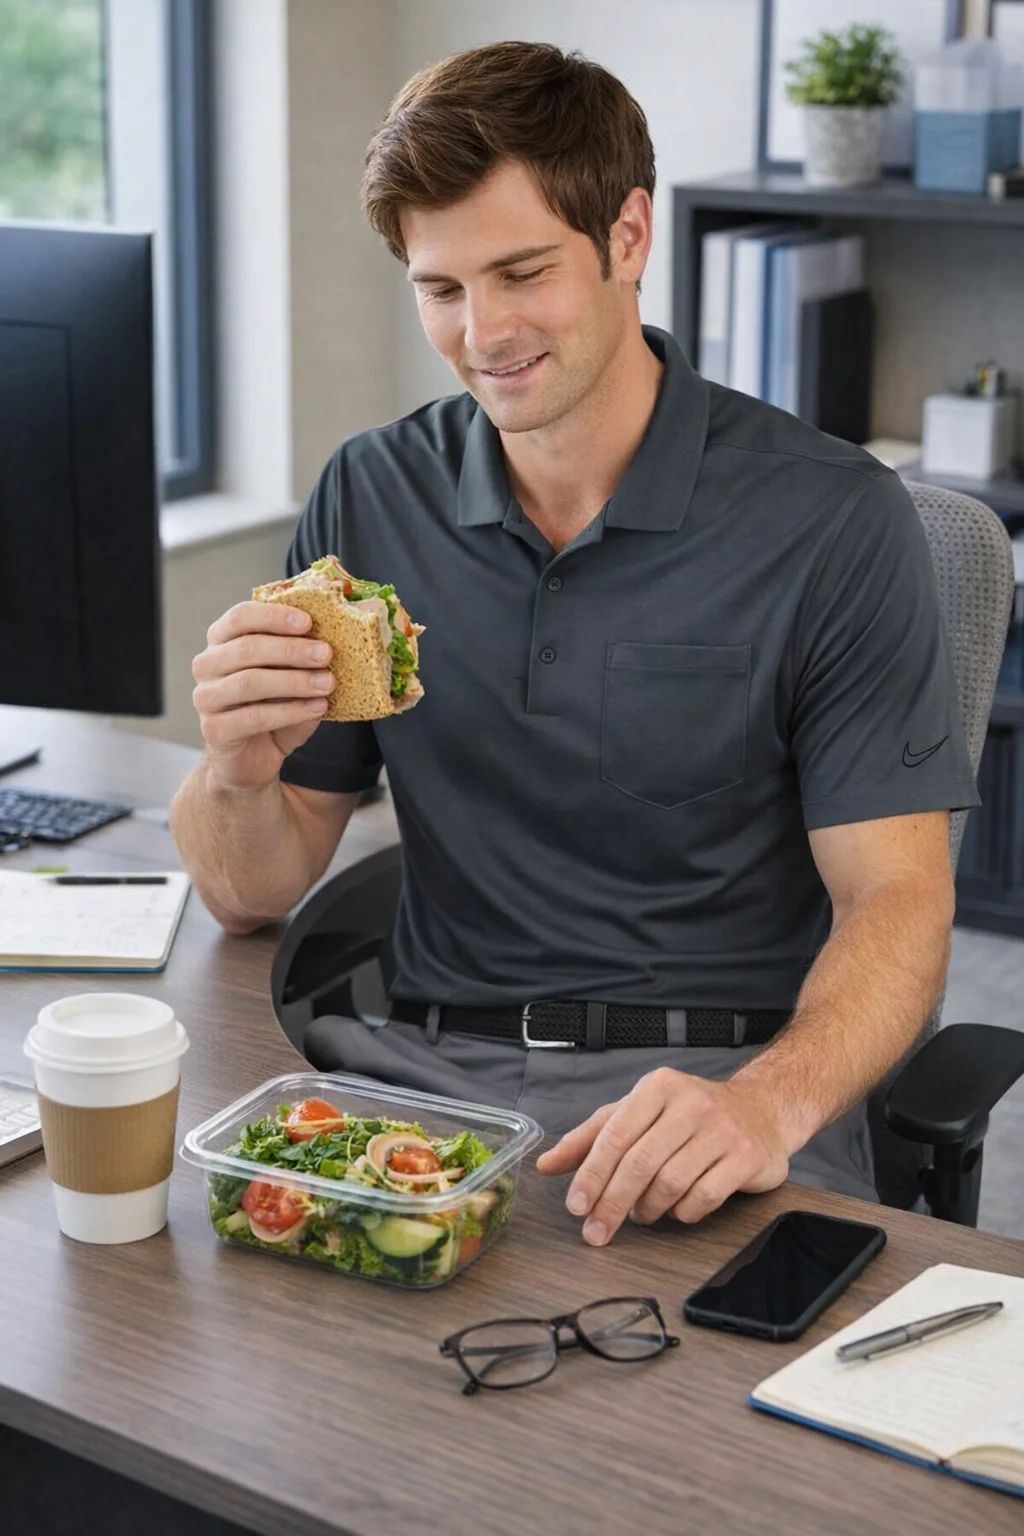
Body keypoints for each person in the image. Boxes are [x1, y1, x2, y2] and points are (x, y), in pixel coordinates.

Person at [170, 40, 978, 1248]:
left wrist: (765, 1103)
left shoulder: (831, 518)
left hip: (702, 1097)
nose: (483, 332)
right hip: (417, 1079)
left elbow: (899, 899)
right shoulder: (370, 493)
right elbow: (250, 890)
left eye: (522, 272)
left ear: (628, 237)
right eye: (441, 290)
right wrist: (234, 768)